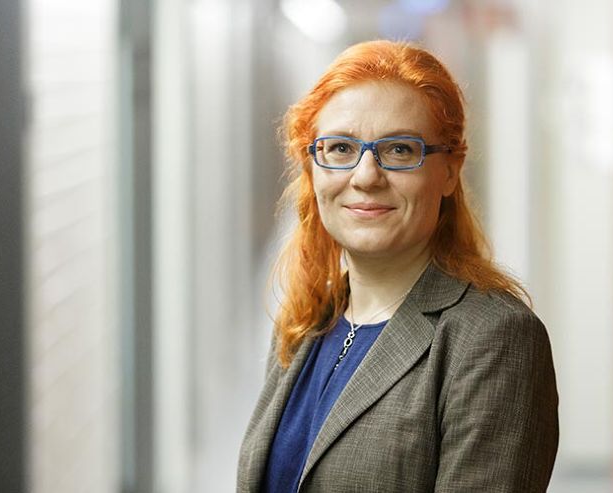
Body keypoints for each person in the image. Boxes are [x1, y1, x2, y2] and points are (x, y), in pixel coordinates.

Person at [236, 40, 559, 493]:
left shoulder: (493, 339)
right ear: (312, 168)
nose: (366, 176)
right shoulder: (307, 321)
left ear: (449, 171)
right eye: (340, 148)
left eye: (400, 150)